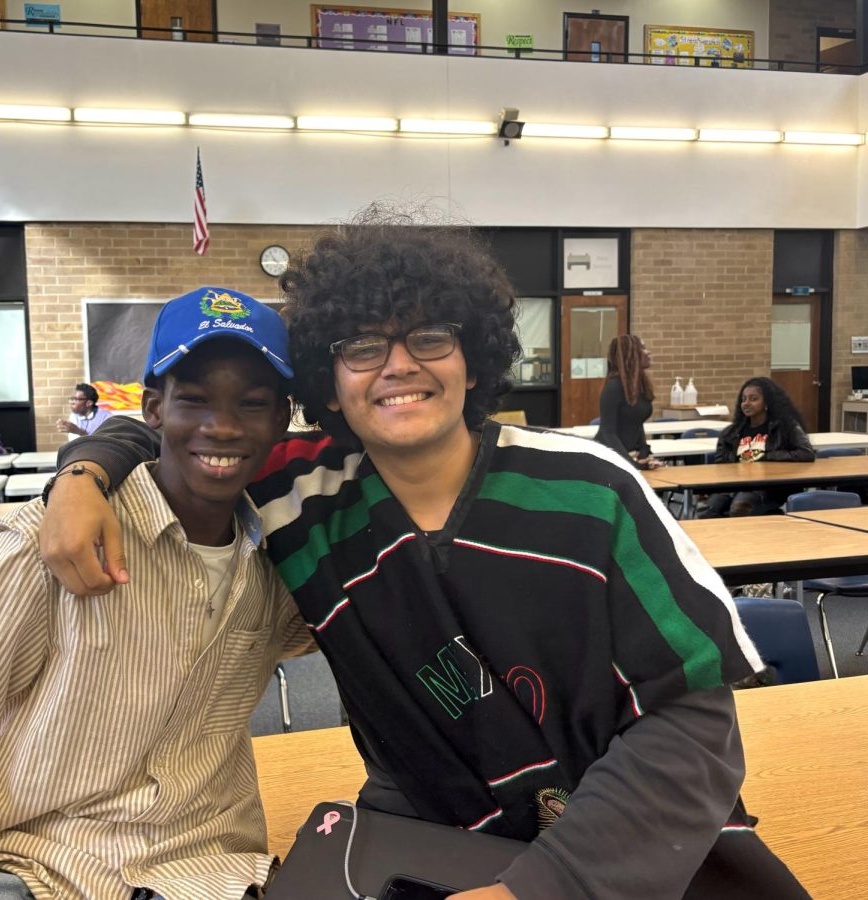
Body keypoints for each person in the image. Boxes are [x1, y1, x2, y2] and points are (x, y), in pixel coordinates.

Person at [40, 219, 806, 898]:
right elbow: (188, 431)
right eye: (364, 347)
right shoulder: (301, 495)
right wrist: (84, 474)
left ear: (473, 362)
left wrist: (544, 888)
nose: (399, 365)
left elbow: (692, 725)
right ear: (329, 385)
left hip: (622, 847)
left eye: (430, 338)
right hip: (430, 837)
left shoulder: (591, 492)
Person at [0, 286, 311, 900]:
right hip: (45, 870)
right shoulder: (55, 544)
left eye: (251, 405)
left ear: (281, 419)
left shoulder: (284, 560)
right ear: (153, 408)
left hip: (215, 872)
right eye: (193, 400)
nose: (221, 426)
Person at [700, 377, 816, 518]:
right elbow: (721, 464)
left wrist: (766, 457)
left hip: (770, 488)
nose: (746, 403)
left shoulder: (786, 428)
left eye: (753, 399)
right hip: (735, 485)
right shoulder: (730, 433)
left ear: (767, 402)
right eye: (744, 399)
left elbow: (806, 453)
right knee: (707, 510)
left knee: (740, 507)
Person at [595, 334, 663, 469]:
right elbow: (608, 433)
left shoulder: (639, 386)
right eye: (642, 349)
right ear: (630, 356)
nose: (648, 352)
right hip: (609, 458)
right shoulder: (613, 387)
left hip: (627, 457)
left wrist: (644, 453)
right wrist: (631, 464)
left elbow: (636, 423)